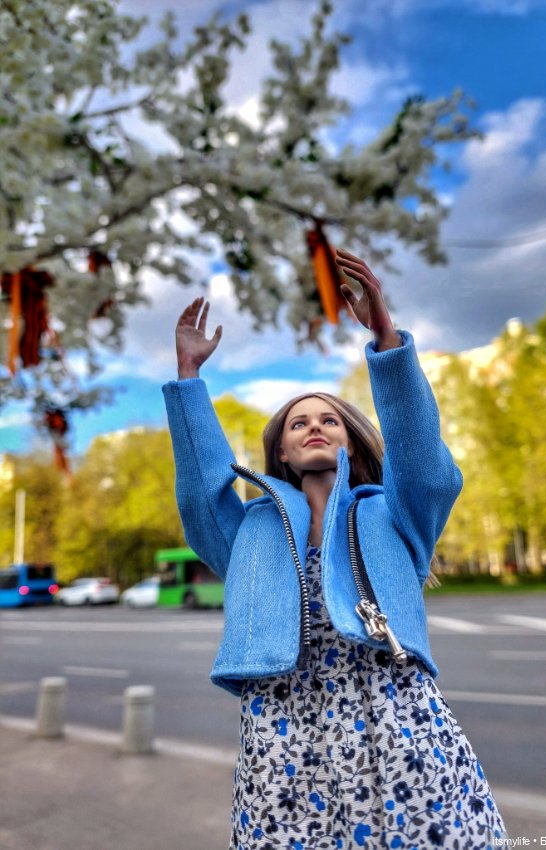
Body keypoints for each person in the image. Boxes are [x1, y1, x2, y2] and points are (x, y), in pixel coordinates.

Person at [162, 249, 509, 849]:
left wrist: (385, 338)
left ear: (351, 439)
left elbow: (429, 471)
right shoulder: (250, 530)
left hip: (397, 726)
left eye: (330, 420)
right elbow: (199, 496)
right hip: (283, 739)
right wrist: (190, 380)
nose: (314, 426)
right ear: (283, 455)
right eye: (298, 424)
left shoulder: (393, 512)